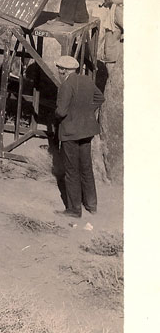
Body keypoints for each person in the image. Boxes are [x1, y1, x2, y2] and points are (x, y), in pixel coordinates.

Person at [53, 55, 104, 220]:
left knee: (72, 170)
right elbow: (100, 98)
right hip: (86, 131)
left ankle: (74, 210)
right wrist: (87, 111)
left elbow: (61, 111)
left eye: (59, 68)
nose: (58, 71)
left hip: (70, 132)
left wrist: (55, 115)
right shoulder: (87, 80)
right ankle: (92, 205)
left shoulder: (66, 85)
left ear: (64, 70)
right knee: (86, 167)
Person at [96, 0, 124, 64]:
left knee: (110, 63)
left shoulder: (117, 11)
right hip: (109, 46)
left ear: (111, 1)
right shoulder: (112, 10)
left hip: (113, 47)